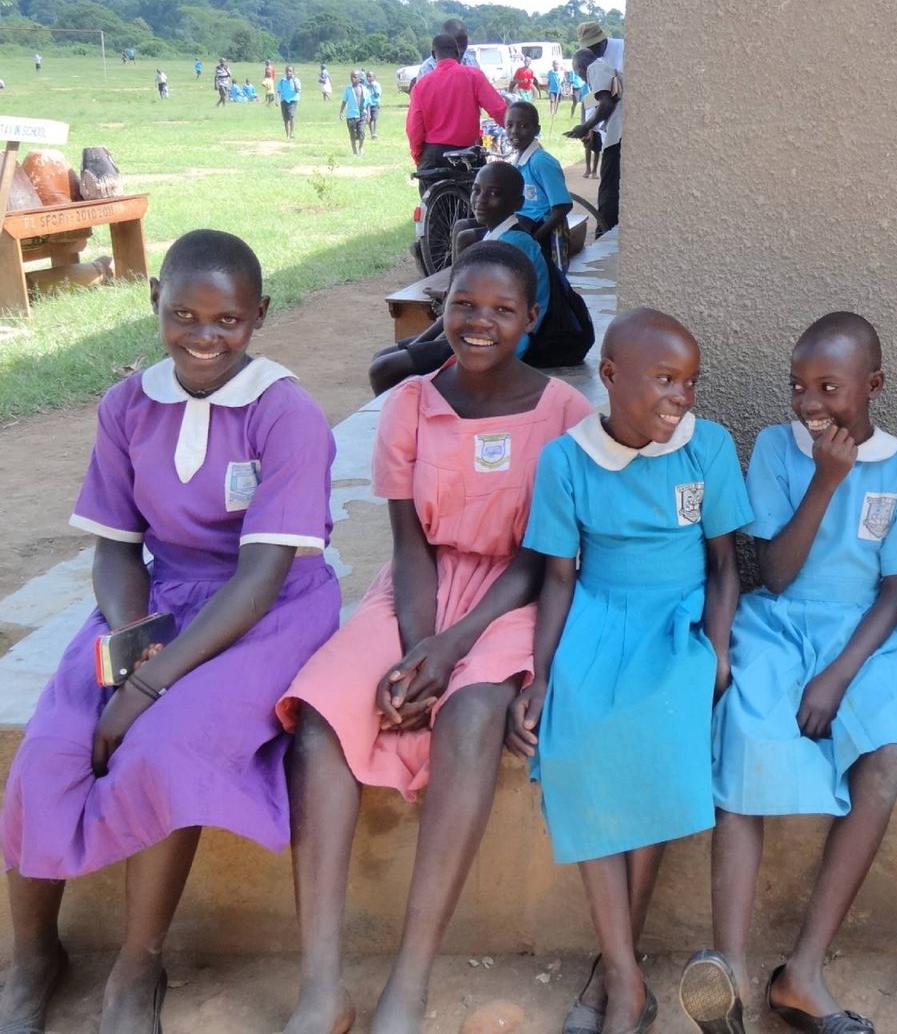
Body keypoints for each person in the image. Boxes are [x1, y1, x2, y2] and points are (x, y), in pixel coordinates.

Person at [0, 229, 340, 1034]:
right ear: (155, 298)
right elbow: (116, 546)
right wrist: (131, 639)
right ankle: (34, 956)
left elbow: (260, 578)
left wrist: (150, 685)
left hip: (268, 610)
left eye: (227, 320)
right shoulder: (127, 405)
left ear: (259, 314)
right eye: (183, 313)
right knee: (51, 746)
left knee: (163, 745)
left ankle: (136, 968)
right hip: (160, 604)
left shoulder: (286, 413)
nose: (203, 336)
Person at [277, 240, 593, 1034]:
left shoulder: (565, 416)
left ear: (531, 320)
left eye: (500, 309)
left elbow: (542, 558)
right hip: (419, 591)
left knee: (473, 714)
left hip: (514, 597)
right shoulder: (411, 402)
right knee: (319, 717)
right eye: (463, 303)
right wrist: (419, 647)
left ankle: (409, 980)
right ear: (443, 307)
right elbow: (408, 544)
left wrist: (451, 654)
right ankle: (322, 985)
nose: (478, 321)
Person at [683, 313, 897, 1034]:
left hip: (869, 636)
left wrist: (836, 677)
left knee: (883, 752)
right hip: (778, 623)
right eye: (798, 386)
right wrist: (827, 483)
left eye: (829, 387)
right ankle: (730, 969)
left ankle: (802, 972)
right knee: (747, 734)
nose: (809, 404)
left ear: (874, 386)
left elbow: (896, 593)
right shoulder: (775, 448)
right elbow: (772, 570)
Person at [506, 308, 752, 1034]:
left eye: (690, 383)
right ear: (610, 377)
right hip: (598, 611)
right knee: (575, 742)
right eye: (666, 381)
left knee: (654, 739)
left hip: (677, 616)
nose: (683, 399)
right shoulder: (567, 460)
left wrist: (719, 646)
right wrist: (542, 674)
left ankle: (617, 981)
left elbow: (724, 568)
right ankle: (621, 971)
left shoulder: (706, 447)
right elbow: (557, 578)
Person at [374, 161, 591, 393]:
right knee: (383, 357)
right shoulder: (497, 236)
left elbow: (477, 310)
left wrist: (421, 344)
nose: (481, 199)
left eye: (494, 193)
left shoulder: (511, 247)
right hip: (481, 329)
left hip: (504, 344)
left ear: (517, 203)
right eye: (477, 190)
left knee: (384, 369)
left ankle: (404, 424)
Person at [406, 34, 508, 177]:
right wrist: (515, 130)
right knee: (477, 196)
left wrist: (418, 156)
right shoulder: (474, 76)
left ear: (433, 55)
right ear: (458, 53)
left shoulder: (421, 85)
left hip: (435, 155)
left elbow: (414, 128)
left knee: (433, 198)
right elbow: (499, 110)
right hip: (468, 153)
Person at [566, 21, 623, 237]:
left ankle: (604, 231)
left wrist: (585, 127)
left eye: (577, 72)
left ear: (580, 67)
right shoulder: (603, 67)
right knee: (612, 185)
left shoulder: (595, 69)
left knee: (608, 187)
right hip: (616, 133)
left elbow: (606, 103)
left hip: (617, 135)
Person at [502, 100, 573, 249]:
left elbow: (563, 206)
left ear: (536, 130)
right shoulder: (517, 159)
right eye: (509, 125)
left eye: (523, 126)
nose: (514, 131)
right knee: (463, 227)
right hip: (520, 220)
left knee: (470, 237)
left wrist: (535, 238)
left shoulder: (540, 161)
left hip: (536, 225)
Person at [341, 71, 368, 155]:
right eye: (351, 77)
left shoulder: (364, 89)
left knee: (362, 133)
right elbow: (344, 101)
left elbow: (368, 103)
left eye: (355, 77)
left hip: (362, 114)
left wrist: (369, 114)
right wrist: (341, 112)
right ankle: (354, 151)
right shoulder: (348, 89)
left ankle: (360, 148)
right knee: (352, 134)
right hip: (351, 115)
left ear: (359, 78)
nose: (353, 79)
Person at [278, 66, 302, 138]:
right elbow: (278, 90)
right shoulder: (282, 80)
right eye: (288, 71)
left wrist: (293, 80)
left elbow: (297, 91)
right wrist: (277, 100)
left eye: (290, 71)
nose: (289, 72)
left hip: (293, 100)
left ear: (293, 72)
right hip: (284, 100)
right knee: (286, 119)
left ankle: (291, 133)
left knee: (291, 116)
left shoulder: (296, 80)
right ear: (285, 72)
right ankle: (287, 134)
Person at [365, 70, 383, 139]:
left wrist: (373, 87)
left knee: (375, 118)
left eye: (370, 76)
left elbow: (377, 95)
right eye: (368, 76)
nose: (369, 78)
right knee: (369, 119)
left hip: (374, 104)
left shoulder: (377, 85)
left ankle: (375, 132)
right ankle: (371, 132)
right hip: (367, 104)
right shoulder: (365, 85)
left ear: (374, 77)